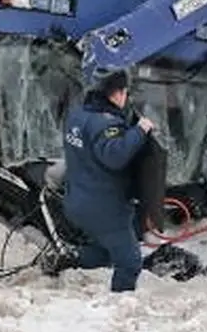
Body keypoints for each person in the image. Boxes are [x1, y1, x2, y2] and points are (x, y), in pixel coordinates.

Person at [52, 68, 156, 292]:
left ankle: (70, 258)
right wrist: (139, 131)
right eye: (125, 92)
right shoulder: (106, 124)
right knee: (130, 262)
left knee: (105, 250)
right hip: (105, 209)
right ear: (117, 94)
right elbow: (115, 156)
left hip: (76, 201)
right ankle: (118, 306)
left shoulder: (77, 115)